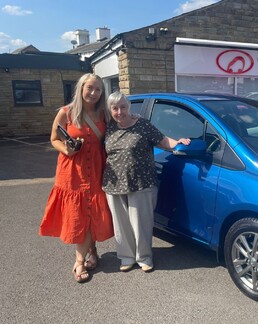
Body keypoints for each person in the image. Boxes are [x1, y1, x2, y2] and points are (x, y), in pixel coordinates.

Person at [102, 91, 190, 272]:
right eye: (115, 108)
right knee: (121, 223)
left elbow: (162, 140)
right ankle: (126, 257)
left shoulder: (141, 124)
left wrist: (178, 142)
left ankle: (144, 256)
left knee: (141, 222)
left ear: (129, 107)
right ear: (110, 110)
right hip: (114, 183)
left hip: (141, 181)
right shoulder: (108, 127)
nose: (120, 112)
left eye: (123, 107)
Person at [39, 73, 114, 283]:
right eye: (90, 88)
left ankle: (91, 253)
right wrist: (66, 149)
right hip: (73, 170)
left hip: (97, 169)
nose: (93, 93)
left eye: (98, 89)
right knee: (80, 215)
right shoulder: (66, 112)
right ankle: (80, 260)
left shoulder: (104, 114)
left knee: (91, 212)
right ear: (81, 88)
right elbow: (54, 138)